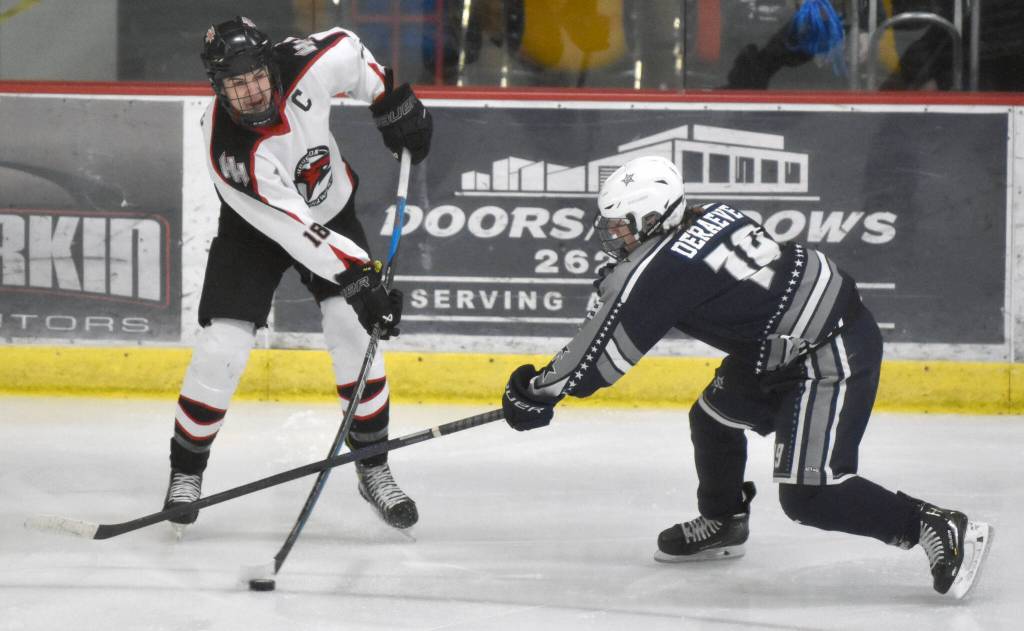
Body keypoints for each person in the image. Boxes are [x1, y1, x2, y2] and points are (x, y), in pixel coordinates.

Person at [500, 155, 992, 599]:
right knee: (713, 420)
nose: (614, 237)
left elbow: (601, 358)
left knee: (810, 496)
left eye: (623, 227)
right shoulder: (714, 212)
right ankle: (724, 521)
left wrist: (537, 392)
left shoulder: (659, 271)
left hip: (827, 350)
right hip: (779, 346)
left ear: (655, 218)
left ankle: (933, 523)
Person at [163, 16, 432, 533]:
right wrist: (360, 278)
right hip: (256, 229)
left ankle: (374, 468)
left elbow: (352, 52)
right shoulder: (229, 147)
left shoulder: (304, 61)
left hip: (333, 210)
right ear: (218, 87)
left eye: (256, 76)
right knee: (222, 345)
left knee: (353, 331)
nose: (250, 91)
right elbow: (293, 230)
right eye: (235, 84)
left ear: (270, 63)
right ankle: (185, 472)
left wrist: (388, 100)